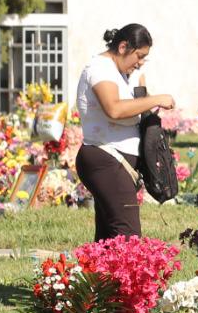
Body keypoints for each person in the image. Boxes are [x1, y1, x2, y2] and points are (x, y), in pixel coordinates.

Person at [74, 24, 174, 240]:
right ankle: (127, 275)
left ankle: (97, 274)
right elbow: (114, 109)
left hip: (118, 161)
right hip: (106, 158)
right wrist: (156, 99)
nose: (140, 63)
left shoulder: (125, 73)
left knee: (109, 239)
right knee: (128, 237)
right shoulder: (100, 68)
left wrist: (143, 91)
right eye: (139, 56)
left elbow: (137, 106)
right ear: (122, 47)